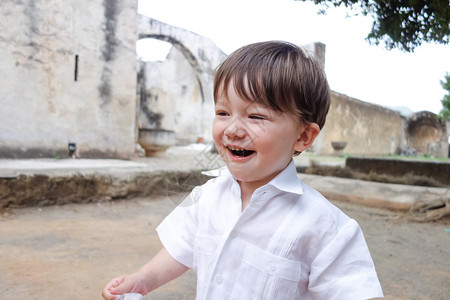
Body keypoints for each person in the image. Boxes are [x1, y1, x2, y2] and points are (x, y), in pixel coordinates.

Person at [102, 41, 384, 300]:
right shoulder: (207, 196)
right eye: (223, 113)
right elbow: (182, 247)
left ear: (303, 137)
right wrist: (144, 279)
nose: (233, 129)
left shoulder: (326, 227)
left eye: (256, 116)